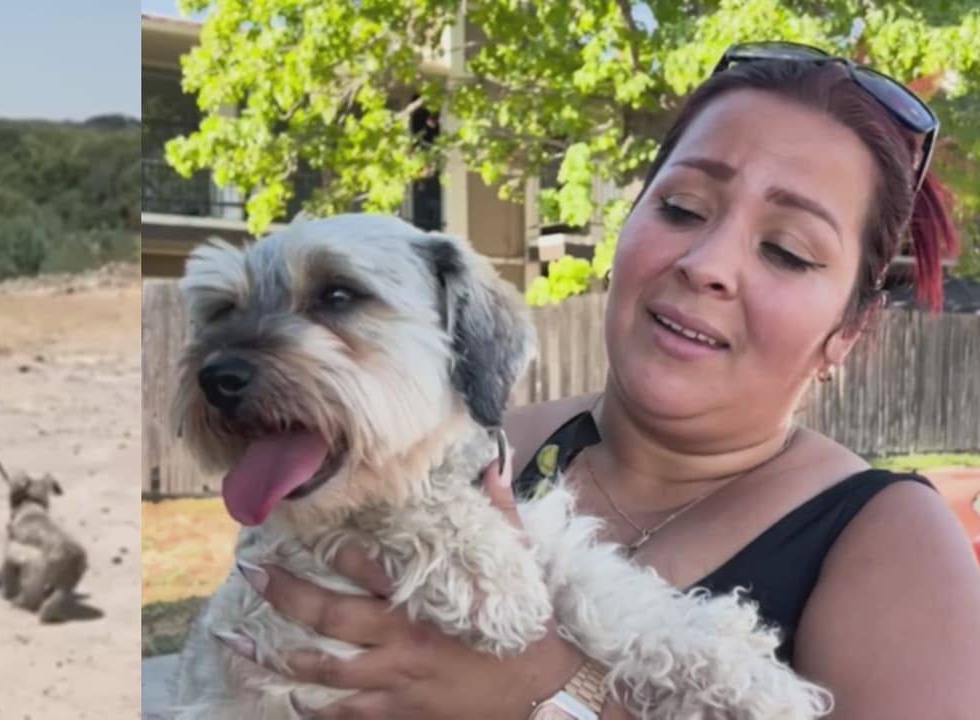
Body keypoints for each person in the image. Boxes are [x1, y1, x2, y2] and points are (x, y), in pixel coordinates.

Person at [218, 42, 980, 718]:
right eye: (681, 207)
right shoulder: (476, 450)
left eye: (786, 250)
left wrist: (550, 695)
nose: (707, 264)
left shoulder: (897, 546)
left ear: (847, 331)